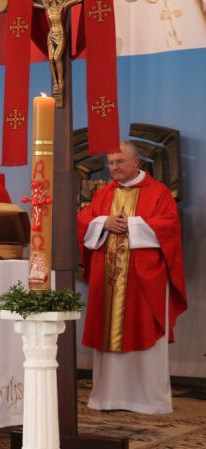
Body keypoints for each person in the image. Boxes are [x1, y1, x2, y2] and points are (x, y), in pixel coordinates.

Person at [78, 141, 187, 414]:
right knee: (108, 330)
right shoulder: (104, 193)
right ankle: (108, 397)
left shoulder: (158, 192)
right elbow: (84, 220)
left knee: (144, 327)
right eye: (111, 163)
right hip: (109, 279)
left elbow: (170, 226)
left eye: (119, 162)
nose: (114, 167)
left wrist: (132, 224)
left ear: (136, 162)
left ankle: (148, 400)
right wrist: (103, 222)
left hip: (144, 280)